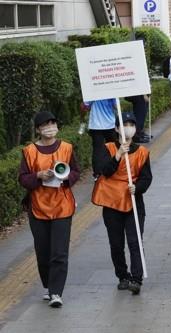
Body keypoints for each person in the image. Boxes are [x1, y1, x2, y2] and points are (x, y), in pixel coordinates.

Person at [19, 111, 81, 308]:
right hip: (38, 208)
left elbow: (76, 171)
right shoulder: (29, 151)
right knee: (43, 251)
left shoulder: (67, 148)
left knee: (59, 252)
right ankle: (48, 285)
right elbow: (23, 178)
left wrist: (66, 179)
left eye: (53, 123)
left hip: (62, 206)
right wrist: (38, 175)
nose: (50, 127)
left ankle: (56, 292)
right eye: (45, 125)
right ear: (38, 129)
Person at [92, 112, 152, 296]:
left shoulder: (142, 152)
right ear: (117, 128)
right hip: (111, 203)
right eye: (124, 124)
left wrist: (138, 188)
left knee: (135, 241)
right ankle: (122, 276)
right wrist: (118, 155)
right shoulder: (107, 148)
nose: (128, 127)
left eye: (131, 124)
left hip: (133, 202)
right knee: (116, 243)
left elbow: (147, 176)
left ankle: (136, 278)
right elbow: (104, 171)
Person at [83, 99, 117, 176]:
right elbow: (116, 106)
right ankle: (114, 168)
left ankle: (97, 174)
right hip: (110, 124)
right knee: (113, 147)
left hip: (96, 125)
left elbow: (86, 107)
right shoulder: (111, 90)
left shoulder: (91, 92)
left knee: (97, 150)